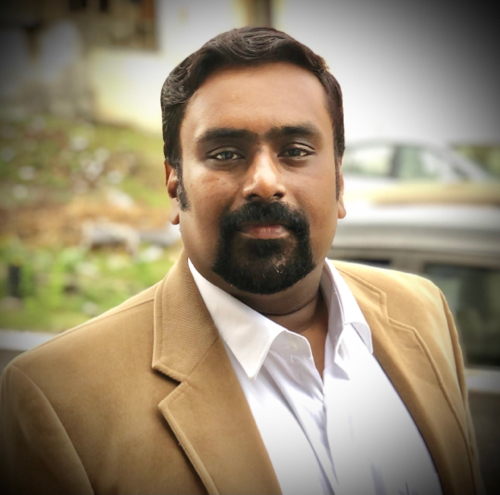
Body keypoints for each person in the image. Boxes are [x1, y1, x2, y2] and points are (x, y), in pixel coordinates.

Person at [0, 27, 483, 495]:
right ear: (174, 183)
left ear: (339, 181)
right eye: (226, 154)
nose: (264, 182)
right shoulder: (59, 397)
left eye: (296, 151)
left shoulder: (423, 311)